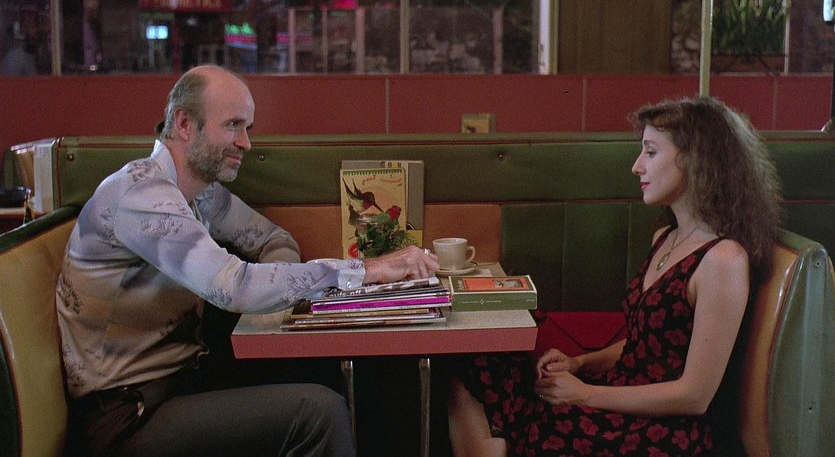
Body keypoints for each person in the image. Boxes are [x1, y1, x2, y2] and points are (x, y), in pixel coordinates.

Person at [57, 64, 440, 456]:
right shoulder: (141, 195)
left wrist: (278, 296)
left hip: (183, 381)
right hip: (126, 416)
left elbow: (274, 240)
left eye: (247, 128)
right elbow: (233, 286)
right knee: (318, 415)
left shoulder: (199, 193)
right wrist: (365, 269)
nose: (246, 143)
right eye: (232, 125)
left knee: (336, 373)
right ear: (185, 123)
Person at [447, 96, 782, 456]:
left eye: (650, 152)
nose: (637, 167)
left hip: (662, 430)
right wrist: (579, 362)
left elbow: (694, 396)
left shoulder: (724, 259)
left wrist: (584, 393)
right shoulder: (665, 237)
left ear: (695, 160)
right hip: (619, 394)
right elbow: (643, 344)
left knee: (524, 414)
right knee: (479, 366)